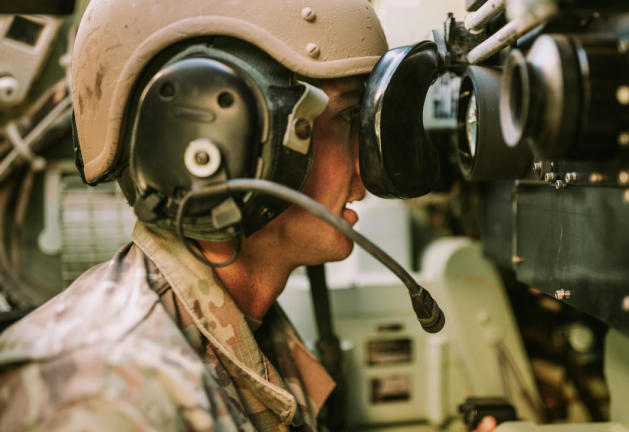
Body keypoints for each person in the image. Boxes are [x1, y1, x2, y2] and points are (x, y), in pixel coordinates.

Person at [0, 0, 389, 431]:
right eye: (347, 118)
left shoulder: (252, 338)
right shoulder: (106, 397)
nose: (365, 167)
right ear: (217, 135)